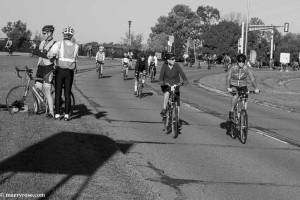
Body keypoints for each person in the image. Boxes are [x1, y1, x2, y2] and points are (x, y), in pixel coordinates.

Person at [47, 26, 79, 121]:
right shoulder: (76, 46)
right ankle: (66, 115)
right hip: (70, 72)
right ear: (71, 35)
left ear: (63, 34)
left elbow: (50, 54)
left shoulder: (59, 43)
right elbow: (75, 58)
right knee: (67, 93)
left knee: (58, 92)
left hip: (60, 70)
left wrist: (52, 55)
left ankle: (57, 114)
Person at [226, 53, 260, 121]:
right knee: (235, 96)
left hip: (243, 85)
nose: (241, 63)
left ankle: (241, 115)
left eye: (242, 62)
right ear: (237, 61)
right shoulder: (233, 67)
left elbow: (252, 78)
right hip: (234, 84)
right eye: (239, 61)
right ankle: (232, 111)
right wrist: (228, 87)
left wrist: (256, 88)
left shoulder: (246, 67)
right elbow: (228, 77)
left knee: (245, 97)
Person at [159, 52, 188, 129]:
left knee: (177, 103)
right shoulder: (164, 66)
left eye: (174, 59)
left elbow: (182, 74)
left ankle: (177, 120)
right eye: (172, 59)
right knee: (167, 93)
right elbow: (161, 77)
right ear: (168, 60)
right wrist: (162, 82)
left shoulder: (177, 65)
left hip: (175, 85)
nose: (174, 60)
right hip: (166, 85)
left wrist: (185, 80)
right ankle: (164, 109)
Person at [34, 25, 56, 118]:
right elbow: (37, 52)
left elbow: (49, 56)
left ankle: (51, 112)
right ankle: (36, 109)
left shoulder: (55, 43)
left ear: (49, 33)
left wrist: (37, 52)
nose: (42, 35)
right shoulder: (43, 42)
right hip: (40, 68)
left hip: (48, 68)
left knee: (47, 91)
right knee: (36, 90)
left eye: (44, 33)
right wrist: (36, 50)